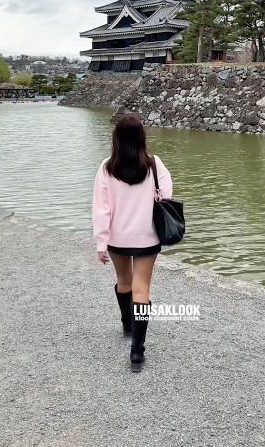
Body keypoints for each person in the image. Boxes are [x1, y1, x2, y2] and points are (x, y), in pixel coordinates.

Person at [92, 112, 172, 371]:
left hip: (117, 238)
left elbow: (101, 209)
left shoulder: (107, 167)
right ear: (141, 137)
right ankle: (137, 351)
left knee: (124, 282)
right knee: (141, 289)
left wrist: (101, 242)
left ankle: (127, 323)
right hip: (147, 237)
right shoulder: (154, 164)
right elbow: (167, 196)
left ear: (116, 138)